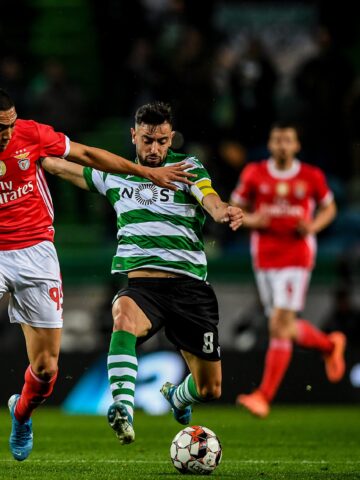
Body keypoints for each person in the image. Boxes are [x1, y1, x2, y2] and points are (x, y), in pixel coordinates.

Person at [0, 88, 194, 462]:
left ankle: (21, 413)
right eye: (0, 128)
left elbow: (87, 155)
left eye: (10, 125)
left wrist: (143, 171)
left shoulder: (32, 134)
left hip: (35, 252)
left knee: (46, 370)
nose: (8, 135)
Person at [42, 101, 244, 445]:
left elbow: (211, 200)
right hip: (142, 287)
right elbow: (61, 168)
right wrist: (27, 152)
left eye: (162, 141)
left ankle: (178, 396)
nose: (155, 149)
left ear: (171, 139)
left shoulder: (187, 168)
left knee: (210, 388)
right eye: (148, 140)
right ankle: (122, 406)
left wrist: (224, 211)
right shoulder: (116, 173)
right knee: (122, 316)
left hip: (190, 288)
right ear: (134, 135)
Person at [230, 122, 346, 418]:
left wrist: (313, 226)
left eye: (288, 140)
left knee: (279, 324)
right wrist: (257, 220)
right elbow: (235, 207)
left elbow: (329, 208)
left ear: (296, 146)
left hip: (296, 255)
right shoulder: (254, 173)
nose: (282, 145)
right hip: (265, 257)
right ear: (270, 144)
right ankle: (329, 344)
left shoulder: (311, 176)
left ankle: (264, 396)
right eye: (277, 139)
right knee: (285, 327)